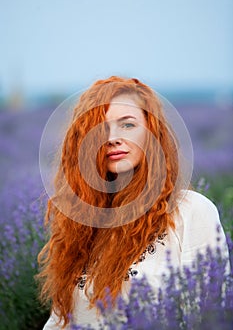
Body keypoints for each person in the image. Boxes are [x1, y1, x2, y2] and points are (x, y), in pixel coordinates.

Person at [37, 76, 229, 329]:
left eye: (127, 125)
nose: (112, 138)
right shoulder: (81, 223)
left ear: (151, 133)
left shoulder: (191, 211)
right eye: (101, 128)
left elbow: (208, 316)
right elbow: (61, 320)